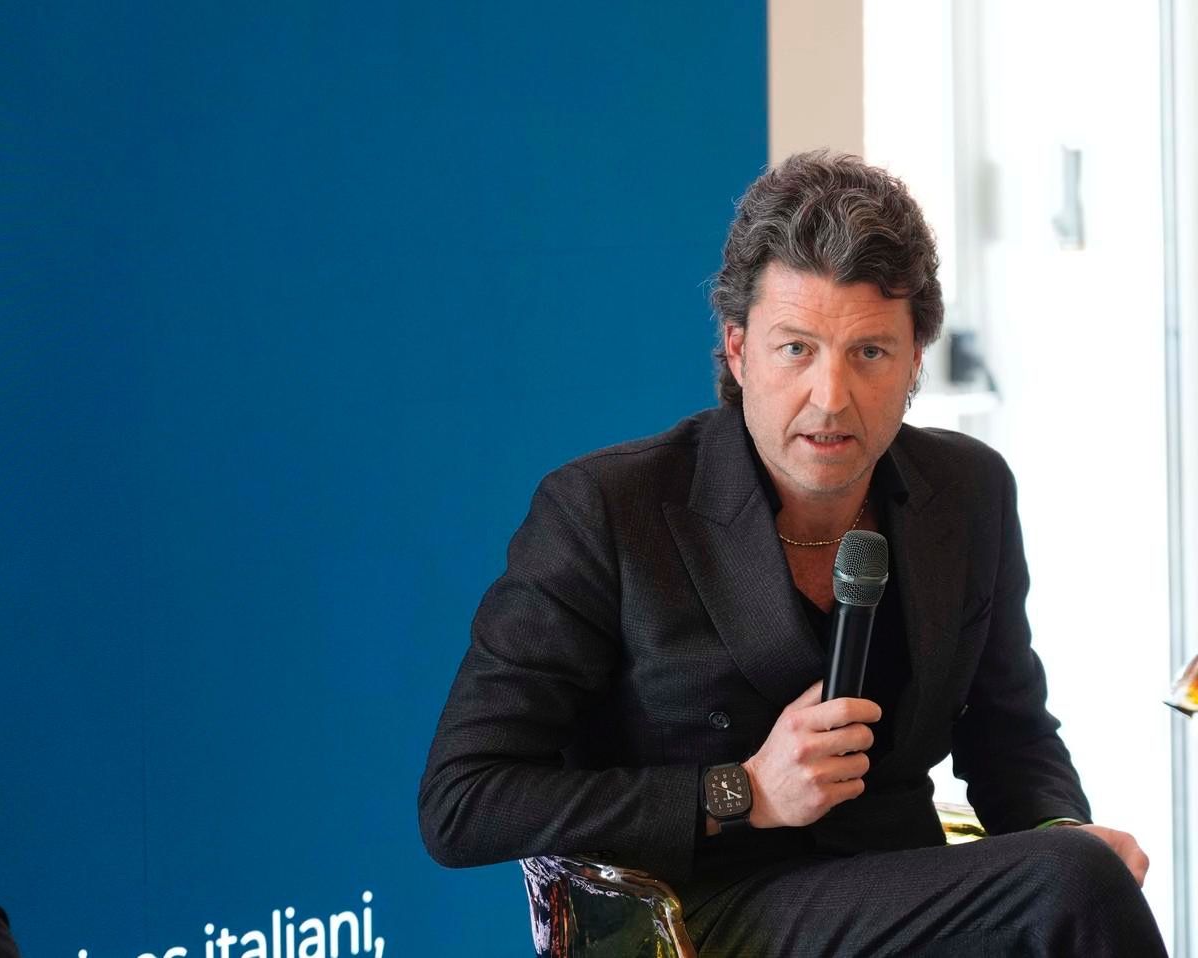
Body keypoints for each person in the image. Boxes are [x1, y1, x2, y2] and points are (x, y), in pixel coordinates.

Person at [418, 151, 1167, 955]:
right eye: (796, 349)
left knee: (1080, 867)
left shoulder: (969, 489)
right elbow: (463, 801)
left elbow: (1010, 734)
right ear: (738, 351)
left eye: (870, 352)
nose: (831, 397)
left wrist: (1060, 826)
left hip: (910, 894)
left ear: (916, 359)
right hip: (701, 914)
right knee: (1073, 884)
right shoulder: (605, 509)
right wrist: (741, 792)